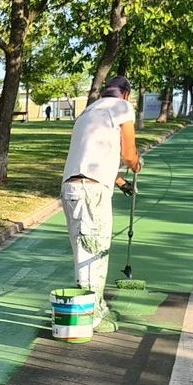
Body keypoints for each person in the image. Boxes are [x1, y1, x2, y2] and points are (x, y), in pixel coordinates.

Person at [61, 75, 142, 330]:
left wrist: (120, 183)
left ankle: (91, 307)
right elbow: (129, 154)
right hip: (91, 192)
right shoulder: (122, 107)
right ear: (126, 94)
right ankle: (92, 315)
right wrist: (136, 164)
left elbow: (91, 155)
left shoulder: (88, 112)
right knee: (95, 253)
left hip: (71, 188)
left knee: (82, 250)